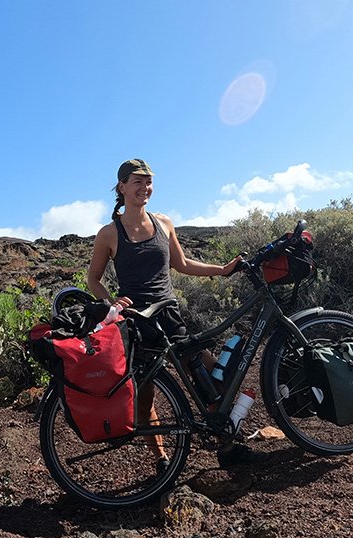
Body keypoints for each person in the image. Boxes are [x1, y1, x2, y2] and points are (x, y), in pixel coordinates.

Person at [86, 158, 262, 470]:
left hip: (168, 316)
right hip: (137, 323)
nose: (145, 187)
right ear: (122, 187)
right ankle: (162, 460)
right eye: (138, 181)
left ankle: (227, 445)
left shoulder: (164, 223)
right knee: (145, 397)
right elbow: (93, 280)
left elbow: (182, 264)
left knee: (211, 378)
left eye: (149, 181)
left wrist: (222, 270)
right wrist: (113, 304)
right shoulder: (109, 234)